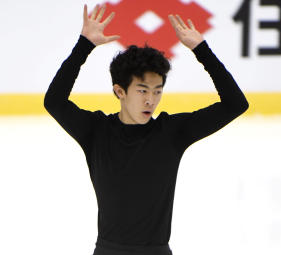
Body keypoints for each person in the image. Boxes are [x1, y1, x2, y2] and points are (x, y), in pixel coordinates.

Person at [44, 4, 249, 255]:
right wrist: (83, 46)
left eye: (157, 91)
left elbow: (235, 104)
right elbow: (53, 101)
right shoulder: (96, 132)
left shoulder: (172, 133)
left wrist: (202, 51)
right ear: (120, 91)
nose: (150, 100)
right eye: (142, 90)